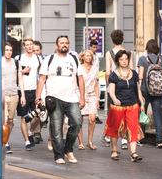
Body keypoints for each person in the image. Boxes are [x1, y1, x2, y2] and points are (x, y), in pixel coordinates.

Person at [38, 35, 83, 164]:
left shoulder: (74, 59)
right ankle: (59, 155)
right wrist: (38, 97)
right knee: (56, 128)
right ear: (56, 45)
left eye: (66, 43)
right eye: (62, 43)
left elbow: (80, 79)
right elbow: (42, 79)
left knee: (77, 122)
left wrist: (82, 97)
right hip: (54, 97)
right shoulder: (49, 59)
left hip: (72, 97)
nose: (64, 45)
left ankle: (68, 149)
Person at [105, 48, 144, 162]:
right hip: (117, 107)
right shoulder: (114, 75)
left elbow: (138, 90)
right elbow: (111, 91)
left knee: (133, 128)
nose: (124, 61)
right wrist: (115, 99)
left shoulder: (134, 74)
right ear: (118, 61)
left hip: (132, 105)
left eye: (126, 59)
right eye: (121, 59)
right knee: (114, 129)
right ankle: (114, 150)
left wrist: (141, 102)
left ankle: (133, 153)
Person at [135, 38, 162, 149]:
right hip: (157, 91)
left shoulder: (142, 59)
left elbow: (140, 76)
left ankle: (140, 138)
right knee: (157, 114)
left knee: (142, 113)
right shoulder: (161, 60)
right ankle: (159, 141)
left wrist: (138, 88)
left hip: (144, 90)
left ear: (147, 48)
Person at [18, 40, 43, 148]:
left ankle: (31, 131)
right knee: (23, 117)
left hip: (34, 91)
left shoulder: (38, 58)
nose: (29, 46)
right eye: (27, 45)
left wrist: (40, 92)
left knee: (38, 114)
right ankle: (27, 141)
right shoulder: (19, 58)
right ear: (24, 47)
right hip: (22, 91)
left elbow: (42, 75)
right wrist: (22, 71)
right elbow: (12, 73)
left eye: (31, 45)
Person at [77, 49, 102, 152]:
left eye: (90, 56)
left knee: (92, 119)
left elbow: (96, 84)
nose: (88, 57)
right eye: (87, 56)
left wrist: (97, 99)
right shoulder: (79, 68)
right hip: (80, 95)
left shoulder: (94, 68)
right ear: (82, 57)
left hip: (92, 95)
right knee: (79, 120)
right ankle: (81, 142)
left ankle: (90, 142)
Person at [1, 43, 20, 154]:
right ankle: (5, 142)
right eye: (7, 50)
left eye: (10, 50)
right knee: (5, 119)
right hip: (3, 94)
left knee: (10, 120)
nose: (9, 52)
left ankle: (6, 137)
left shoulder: (16, 62)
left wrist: (21, 93)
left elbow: (20, 78)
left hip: (14, 94)